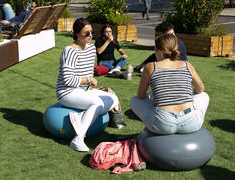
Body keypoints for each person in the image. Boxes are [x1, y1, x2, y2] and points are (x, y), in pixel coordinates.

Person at [56, 18, 124, 152]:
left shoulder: (92, 48)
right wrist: (88, 79)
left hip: (83, 91)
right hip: (67, 92)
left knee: (113, 99)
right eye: (86, 33)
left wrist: (90, 83)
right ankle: (78, 139)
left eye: (91, 32)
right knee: (97, 104)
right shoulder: (69, 51)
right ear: (76, 33)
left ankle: (80, 117)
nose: (90, 36)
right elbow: (68, 80)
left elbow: (87, 72)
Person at [130, 34, 209, 135]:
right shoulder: (186, 65)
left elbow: (140, 96)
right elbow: (200, 88)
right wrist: (189, 97)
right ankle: (195, 113)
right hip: (191, 123)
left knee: (134, 100)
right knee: (204, 95)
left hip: (163, 124)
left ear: (158, 51)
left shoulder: (150, 67)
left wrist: (149, 97)